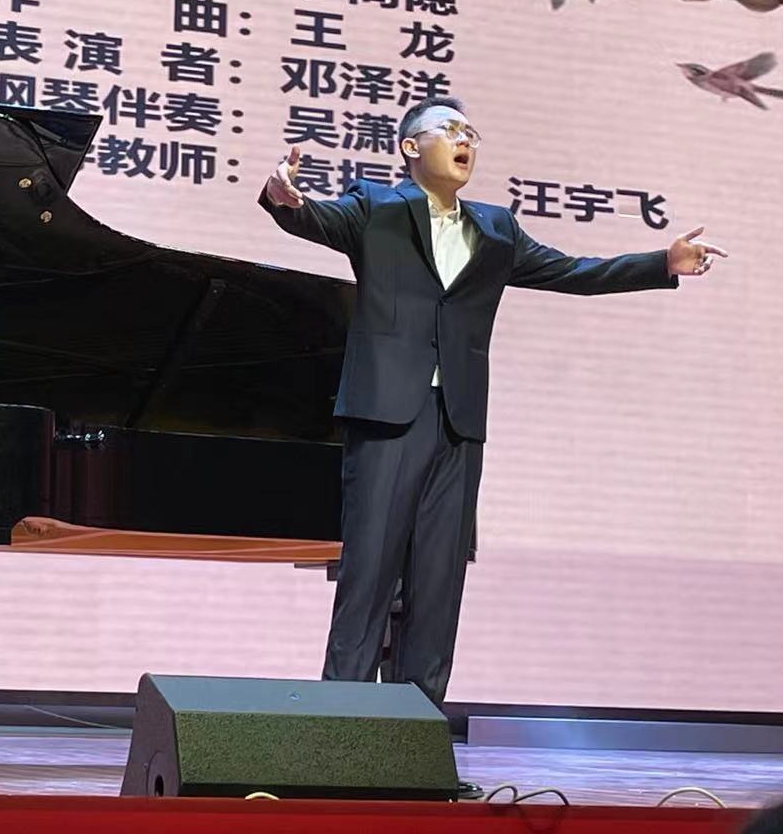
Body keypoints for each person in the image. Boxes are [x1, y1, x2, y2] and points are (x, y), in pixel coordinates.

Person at [260, 97, 725, 713]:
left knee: (439, 578)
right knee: (369, 572)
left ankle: (416, 725)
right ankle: (341, 720)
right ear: (410, 147)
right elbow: (311, 215)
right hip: (386, 413)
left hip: (458, 421)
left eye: (470, 133)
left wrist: (660, 263)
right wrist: (285, 199)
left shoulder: (497, 228)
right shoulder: (375, 207)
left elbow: (572, 271)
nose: (464, 140)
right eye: (449, 130)